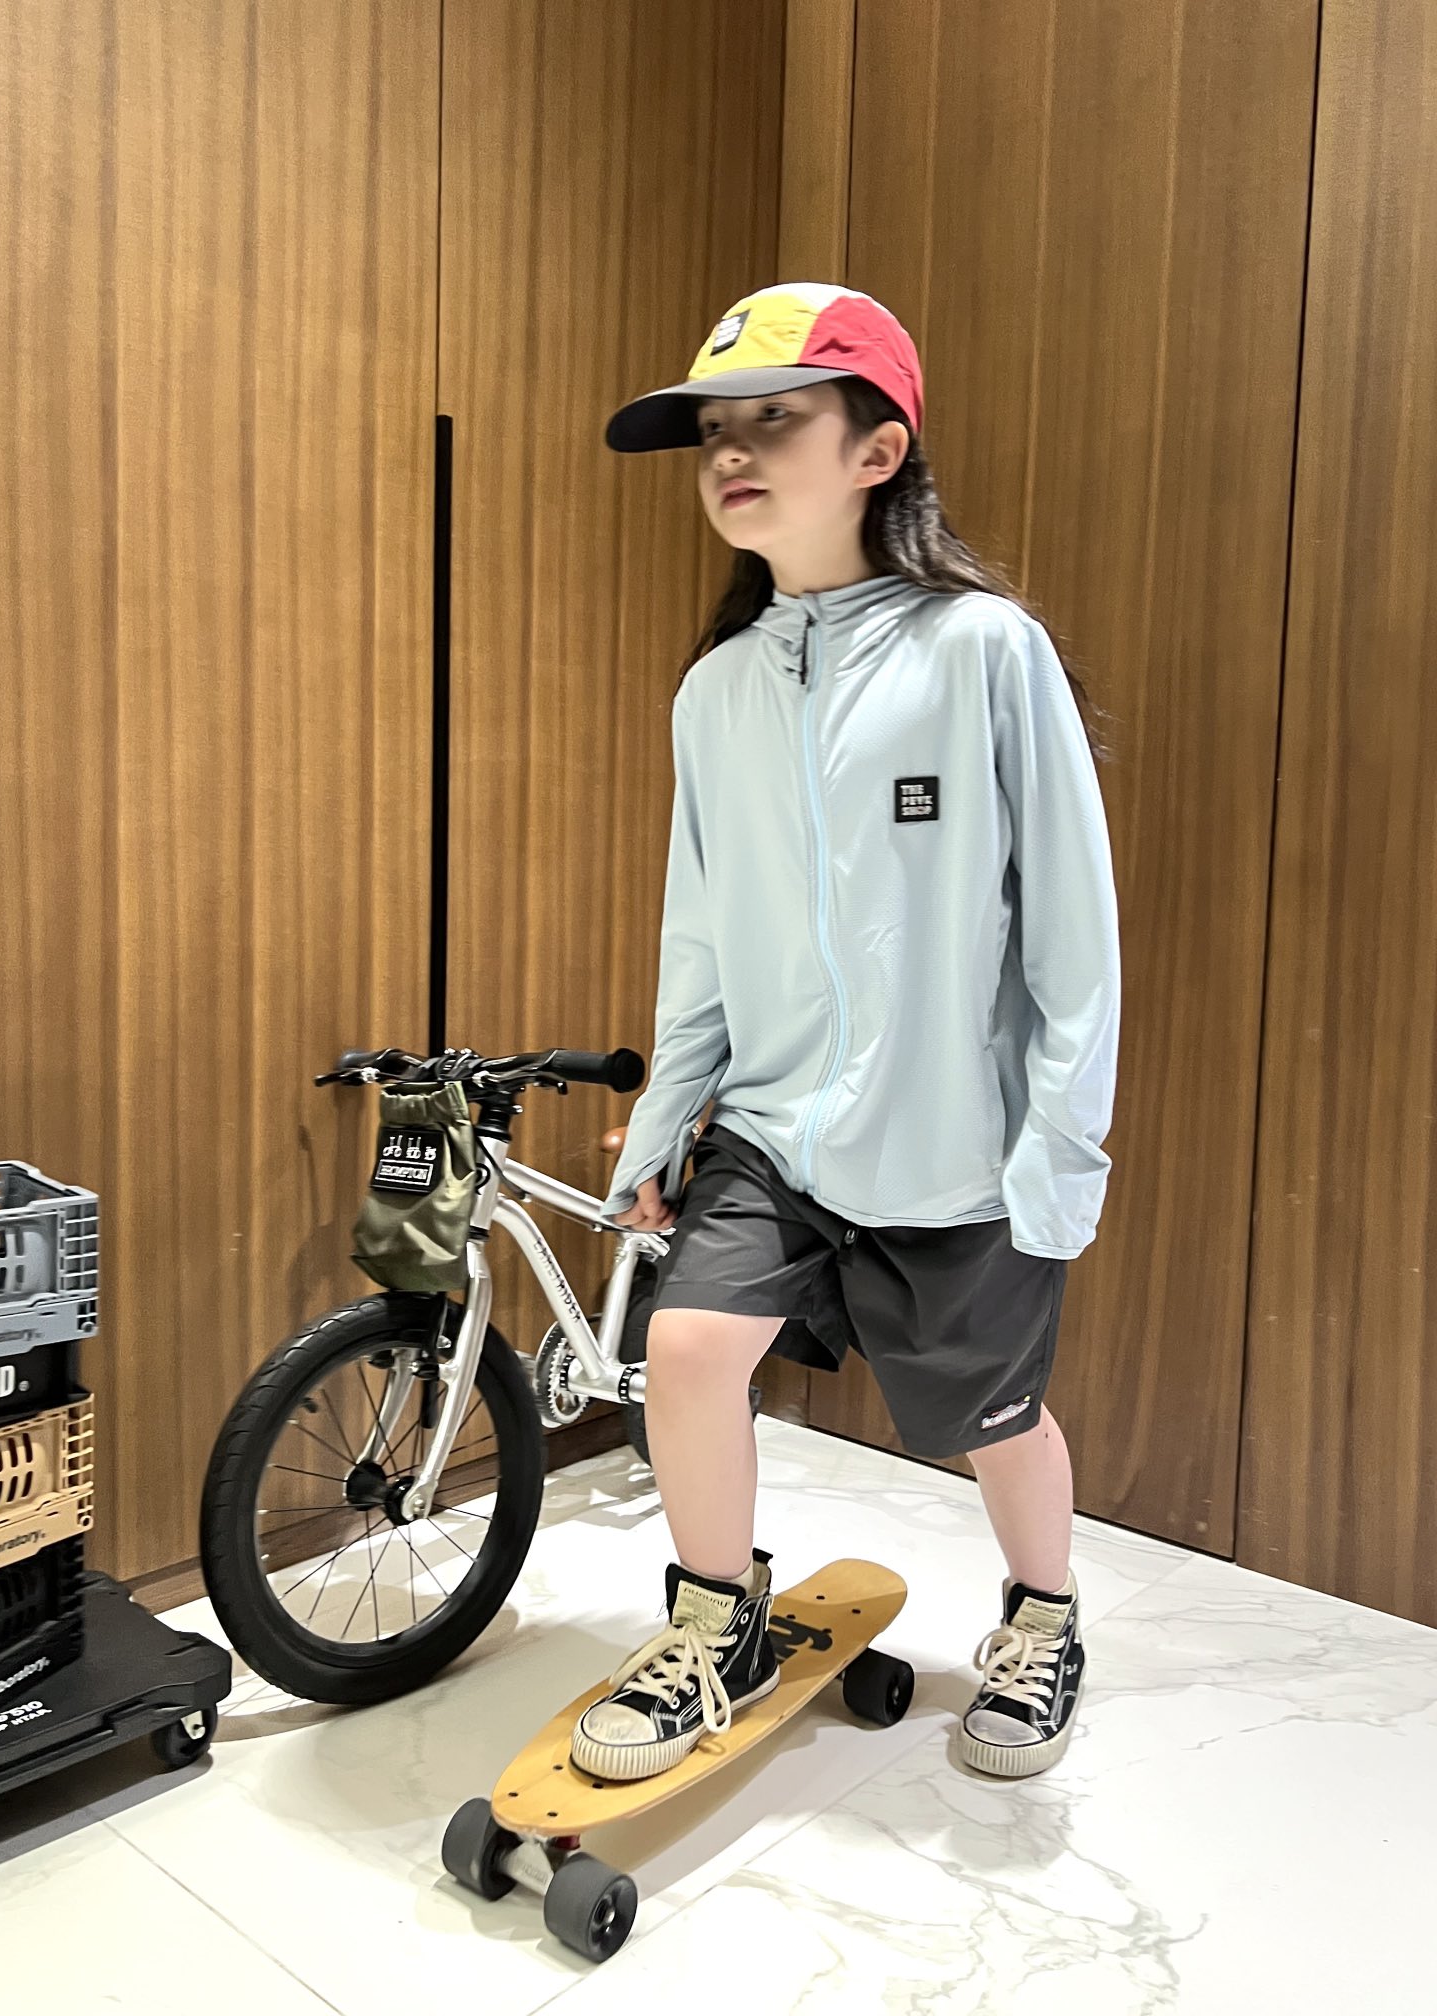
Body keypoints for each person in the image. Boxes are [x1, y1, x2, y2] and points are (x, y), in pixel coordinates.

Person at [573, 282, 1121, 1787]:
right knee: (687, 1348)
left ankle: (1045, 1615)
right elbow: (701, 932)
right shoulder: (716, 692)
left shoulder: (983, 649)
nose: (732, 453)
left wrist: (1061, 1148)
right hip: (774, 1126)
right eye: (715, 432)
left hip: (957, 1140)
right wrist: (663, 1125)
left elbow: (1075, 927)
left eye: (775, 420)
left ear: (878, 453)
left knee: (995, 1420)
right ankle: (716, 1626)